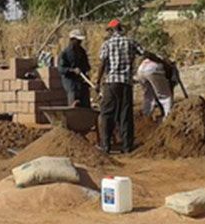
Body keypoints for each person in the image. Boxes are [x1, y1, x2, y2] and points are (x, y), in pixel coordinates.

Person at [93, 19, 163, 153]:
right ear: (121, 29)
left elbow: (102, 63)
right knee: (125, 114)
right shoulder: (131, 42)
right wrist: (161, 61)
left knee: (107, 114)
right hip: (126, 83)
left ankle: (106, 145)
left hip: (111, 83)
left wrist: (97, 82)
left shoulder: (107, 44)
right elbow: (145, 54)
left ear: (111, 30)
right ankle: (127, 146)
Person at [57, 29, 92, 107]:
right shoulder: (65, 53)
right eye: (78, 40)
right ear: (72, 40)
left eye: (80, 41)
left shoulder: (82, 52)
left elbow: (86, 66)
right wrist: (72, 70)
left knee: (85, 96)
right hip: (70, 80)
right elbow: (61, 69)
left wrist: (86, 74)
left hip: (80, 79)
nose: (80, 42)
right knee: (73, 95)